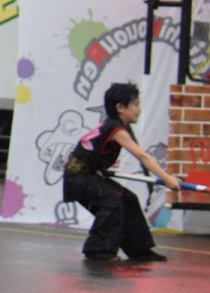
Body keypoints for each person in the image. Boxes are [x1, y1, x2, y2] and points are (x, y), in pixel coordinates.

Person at [63, 82, 180, 262]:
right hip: (78, 177)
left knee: (128, 199)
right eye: (135, 105)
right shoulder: (116, 128)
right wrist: (166, 179)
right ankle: (97, 250)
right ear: (120, 107)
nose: (139, 110)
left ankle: (139, 250)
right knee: (112, 202)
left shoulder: (118, 126)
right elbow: (143, 156)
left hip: (90, 174)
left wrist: (97, 169)